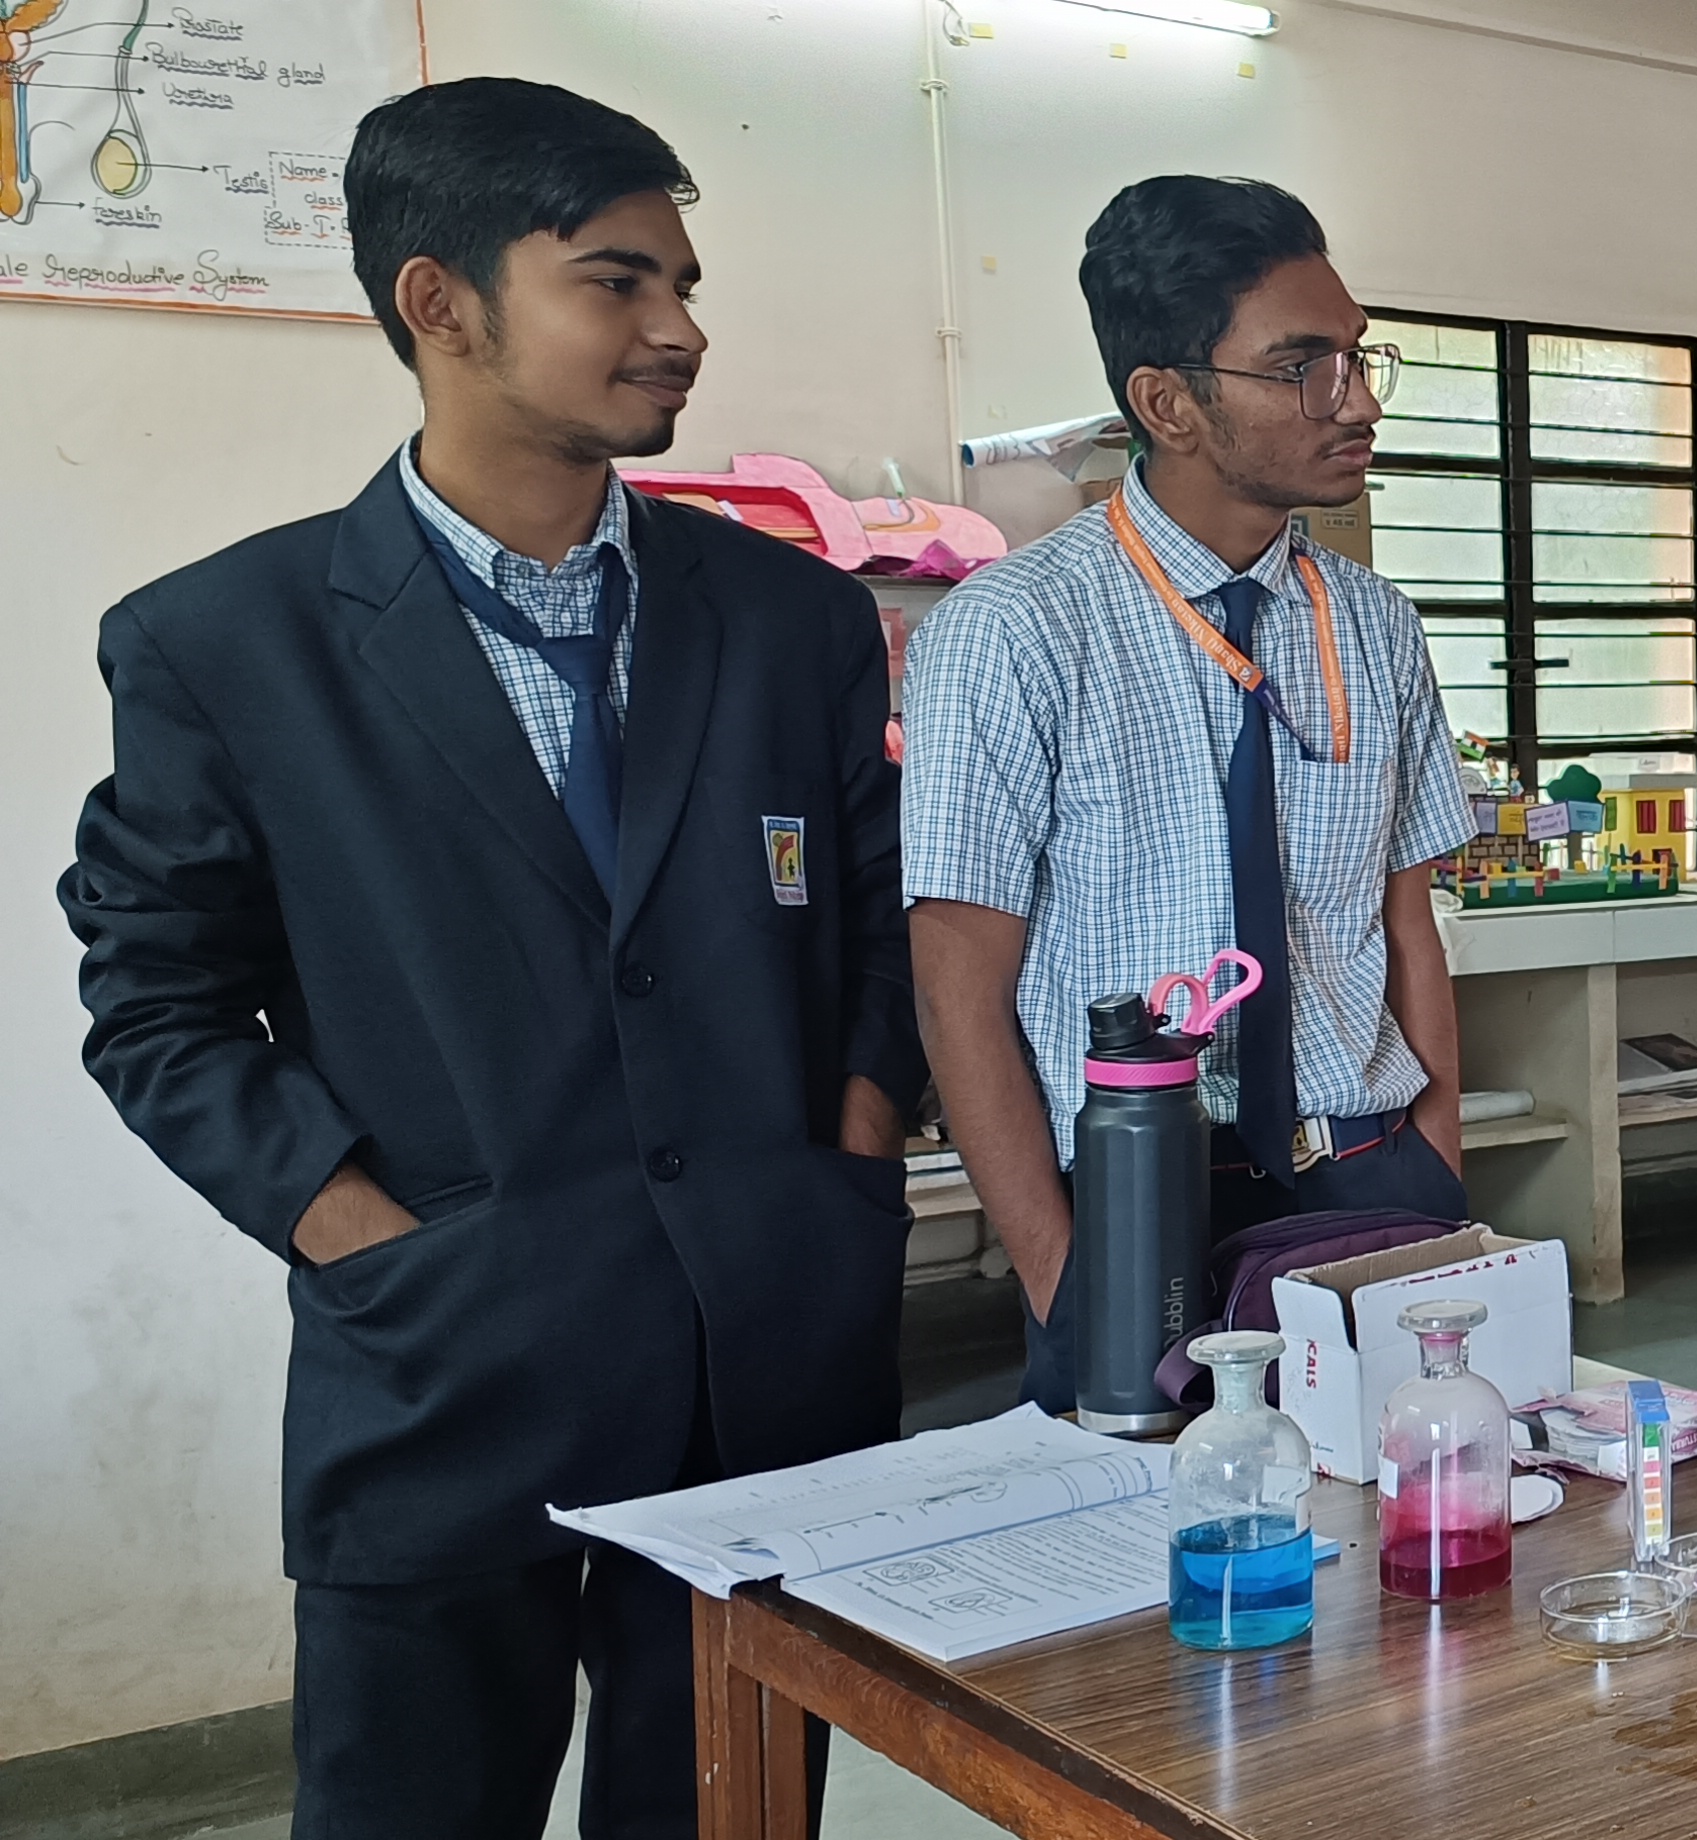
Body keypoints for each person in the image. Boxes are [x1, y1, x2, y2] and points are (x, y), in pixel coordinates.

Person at [58, 79, 921, 1840]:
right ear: (438, 302)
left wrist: (847, 1142)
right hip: (445, 1363)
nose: (678, 331)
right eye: (617, 281)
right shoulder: (230, 645)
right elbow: (155, 997)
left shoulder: (791, 620)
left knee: (727, 1819)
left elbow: (880, 916)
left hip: (765, 1354)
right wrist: (356, 1231)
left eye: (684, 284)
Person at [905, 176, 1472, 1415]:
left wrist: (1436, 1157)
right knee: (1168, 1526)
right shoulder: (1013, 631)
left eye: (1359, 356)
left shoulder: (1374, 624)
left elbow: (1406, 922)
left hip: (1368, 1173)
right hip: (1135, 1197)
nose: (1357, 400)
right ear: (1166, 401)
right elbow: (957, 992)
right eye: (1302, 366)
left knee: (1420, 1507)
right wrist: (1064, 1275)